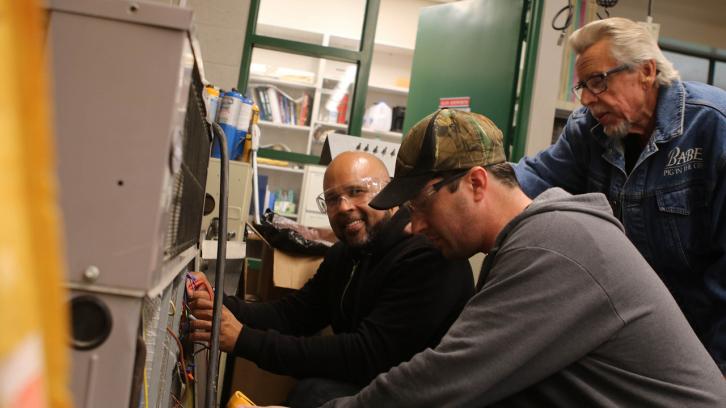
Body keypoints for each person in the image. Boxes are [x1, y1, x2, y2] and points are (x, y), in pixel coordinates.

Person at [320, 109, 726, 407]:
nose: (412, 225)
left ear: (476, 183)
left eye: (420, 205)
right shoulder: (525, 243)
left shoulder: (551, 246)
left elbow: (449, 375)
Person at [514, 17, 726, 373]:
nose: (586, 99)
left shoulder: (713, 127)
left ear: (646, 71)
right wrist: (477, 182)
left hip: (706, 340)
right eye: (581, 86)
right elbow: (532, 179)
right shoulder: (589, 131)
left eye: (597, 81)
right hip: (631, 333)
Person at [187, 151, 474, 407]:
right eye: (333, 199)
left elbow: (366, 355)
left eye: (357, 191)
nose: (344, 206)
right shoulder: (346, 254)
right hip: (377, 379)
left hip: (423, 395)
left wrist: (243, 339)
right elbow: (295, 314)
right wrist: (217, 302)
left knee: (315, 393)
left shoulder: (423, 255)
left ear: (389, 196)